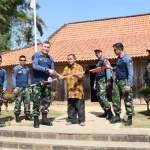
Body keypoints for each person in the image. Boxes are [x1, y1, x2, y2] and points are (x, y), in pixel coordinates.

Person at [110, 43, 134, 126]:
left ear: (120, 49)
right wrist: (112, 68)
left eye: (115, 50)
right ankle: (117, 116)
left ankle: (130, 118)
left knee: (128, 100)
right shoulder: (119, 58)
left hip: (125, 81)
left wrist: (128, 84)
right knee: (115, 99)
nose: (114, 51)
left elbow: (131, 72)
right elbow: (119, 67)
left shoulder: (127, 58)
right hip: (117, 81)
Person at [57, 54, 85, 126]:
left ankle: (81, 121)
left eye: (71, 59)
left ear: (75, 59)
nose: (69, 60)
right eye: (68, 59)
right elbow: (63, 77)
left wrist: (78, 76)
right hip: (70, 92)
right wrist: (57, 74)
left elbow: (82, 78)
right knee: (70, 107)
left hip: (78, 91)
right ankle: (70, 120)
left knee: (80, 107)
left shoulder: (79, 67)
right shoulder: (66, 68)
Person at [31, 41, 55, 128]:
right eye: (45, 47)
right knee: (36, 101)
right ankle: (36, 120)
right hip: (37, 82)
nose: (46, 48)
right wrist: (47, 69)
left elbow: (52, 70)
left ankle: (44, 119)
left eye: (48, 47)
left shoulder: (51, 58)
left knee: (46, 101)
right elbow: (35, 66)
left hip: (46, 83)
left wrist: (50, 77)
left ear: (49, 48)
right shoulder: (36, 55)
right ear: (42, 47)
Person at [93, 48, 113, 120]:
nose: (97, 54)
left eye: (98, 52)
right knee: (98, 96)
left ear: (101, 52)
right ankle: (105, 111)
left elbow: (108, 70)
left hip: (104, 79)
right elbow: (96, 73)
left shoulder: (105, 60)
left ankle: (109, 112)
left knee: (102, 95)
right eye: (96, 53)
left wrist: (108, 80)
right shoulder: (97, 62)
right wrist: (95, 82)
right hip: (99, 80)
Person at [12, 55, 32, 122]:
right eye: (21, 60)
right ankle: (17, 116)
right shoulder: (16, 68)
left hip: (26, 87)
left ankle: (27, 115)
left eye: (24, 60)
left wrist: (30, 87)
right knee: (18, 102)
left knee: (27, 102)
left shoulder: (27, 69)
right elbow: (13, 78)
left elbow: (29, 78)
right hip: (19, 88)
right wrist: (15, 87)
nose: (23, 61)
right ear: (19, 61)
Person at [0, 55, 7, 124]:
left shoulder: (3, 71)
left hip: (0, 88)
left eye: (0, 60)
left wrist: (4, 87)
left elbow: (5, 80)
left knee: (0, 103)